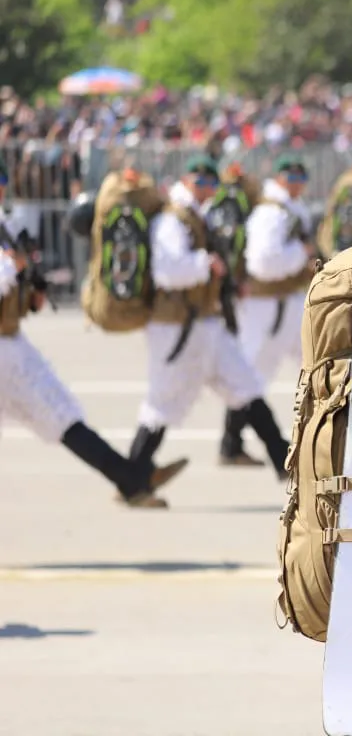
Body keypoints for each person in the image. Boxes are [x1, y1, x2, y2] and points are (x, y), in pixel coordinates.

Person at [0, 156, 183, 507]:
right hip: (7, 352)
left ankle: (130, 478)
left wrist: (32, 289)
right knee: (60, 413)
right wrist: (12, 265)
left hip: (11, 344)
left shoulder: (6, 226)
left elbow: (21, 297)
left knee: (62, 413)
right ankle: (131, 479)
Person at [129, 155, 290, 481]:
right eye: (199, 182)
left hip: (206, 325)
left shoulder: (195, 218)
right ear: (186, 181)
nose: (206, 189)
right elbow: (168, 271)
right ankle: (133, 475)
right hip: (176, 329)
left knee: (246, 386)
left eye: (211, 183)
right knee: (163, 400)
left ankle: (284, 461)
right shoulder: (171, 221)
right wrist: (206, 264)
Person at [219, 154, 315, 466]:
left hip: (285, 303)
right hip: (267, 306)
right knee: (252, 373)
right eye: (292, 177)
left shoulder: (286, 209)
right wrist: (301, 254)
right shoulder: (271, 213)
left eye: (302, 178)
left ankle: (309, 438)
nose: (298, 184)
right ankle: (232, 444)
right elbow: (263, 262)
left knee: (310, 365)